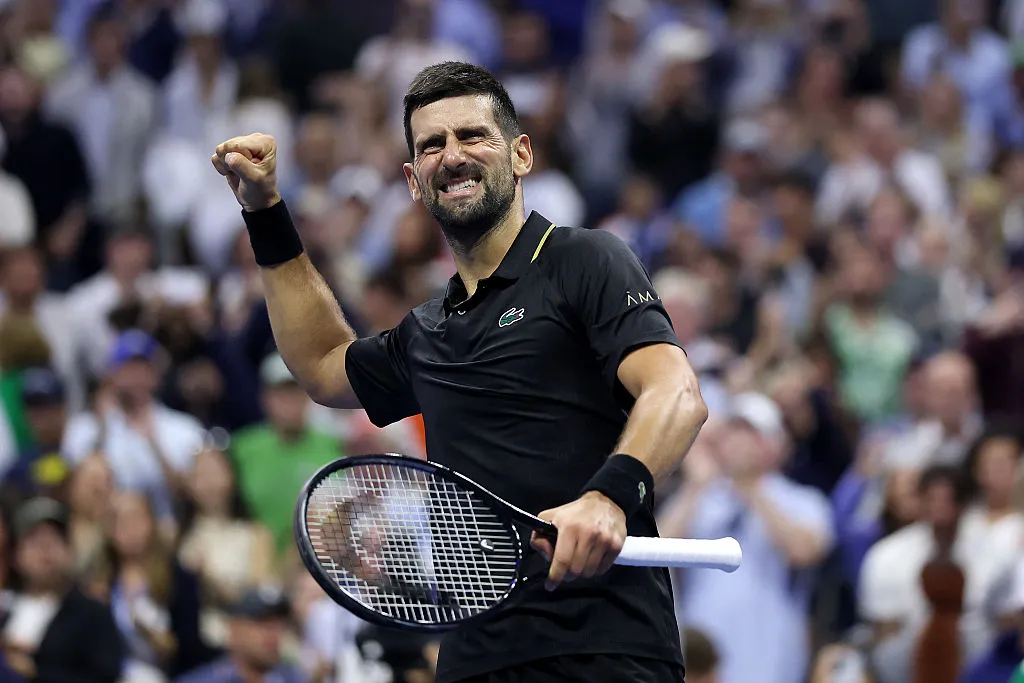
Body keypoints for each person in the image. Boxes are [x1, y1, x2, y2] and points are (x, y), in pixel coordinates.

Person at [211, 61, 707, 683]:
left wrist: (608, 498)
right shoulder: (427, 330)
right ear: (414, 181)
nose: (453, 155)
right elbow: (320, 366)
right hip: (474, 659)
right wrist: (264, 210)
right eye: (432, 145)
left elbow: (677, 392)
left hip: (604, 648)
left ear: (521, 154)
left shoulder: (584, 260)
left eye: (473, 136)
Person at [4, 496, 123, 682]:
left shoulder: (91, 614)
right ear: (16, 555)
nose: (45, 549)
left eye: (55, 538)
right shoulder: (5, 609)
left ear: (70, 550)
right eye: (34, 539)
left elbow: (104, 676)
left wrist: (36, 674)